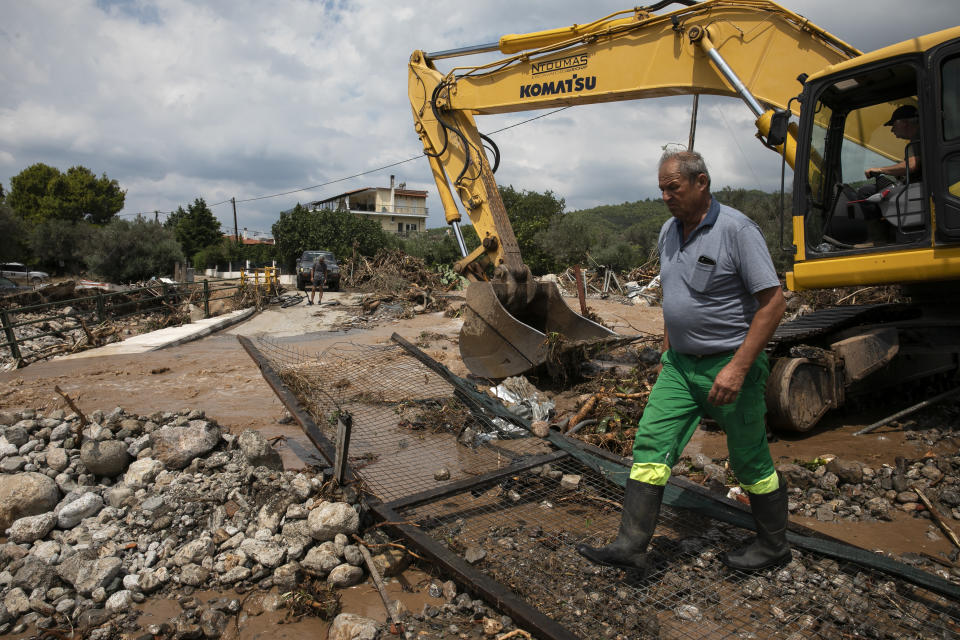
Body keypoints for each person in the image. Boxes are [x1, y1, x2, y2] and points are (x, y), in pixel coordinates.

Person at [576, 150, 789, 573]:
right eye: (661, 189)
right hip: (679, 366)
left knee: (749, 461)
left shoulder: (736, 230)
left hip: (729, 363)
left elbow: (773, 303)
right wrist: (669, 351)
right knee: (651, 446)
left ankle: (773, 547)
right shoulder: (667, 232)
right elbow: (676, 298)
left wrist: (739, 367)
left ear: (701, 183)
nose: (665, 196)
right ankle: (630, 545)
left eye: (673, 187)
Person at [865, 104, 921, 181]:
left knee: (866, 191)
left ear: (904, 123)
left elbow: (912, 165)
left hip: (917, 188)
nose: (892, 130)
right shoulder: (921, 139)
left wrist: (880, 170)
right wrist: (898, 171)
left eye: (893, 125)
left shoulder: (917, 141)